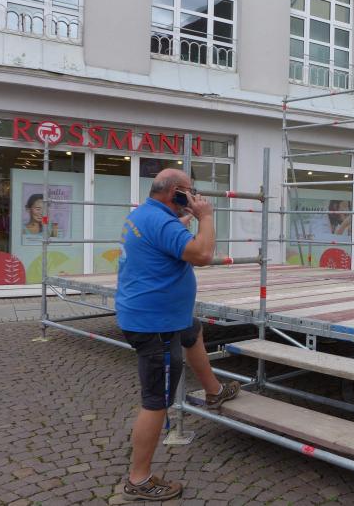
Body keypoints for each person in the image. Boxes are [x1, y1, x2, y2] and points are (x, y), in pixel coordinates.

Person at [116, 169, 240, 501]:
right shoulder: (163, 223)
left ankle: (213, 391)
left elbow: (163, 238)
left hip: (156, 313)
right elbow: (202, 254)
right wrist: (205, 217)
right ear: (176, 193)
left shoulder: (144, 214)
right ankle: (139, 479)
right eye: (190, 190)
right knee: (156, 400)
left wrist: (182, 221)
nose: (195, 195)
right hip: (155, 324)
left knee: (193, 330)